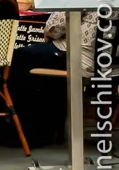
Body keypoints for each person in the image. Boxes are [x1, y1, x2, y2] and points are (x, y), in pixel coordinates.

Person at [5, 10, 100, 146]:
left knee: (18, 58)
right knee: (38, 56)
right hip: (106, 61)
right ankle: (50, 127)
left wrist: (49, 31)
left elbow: (55, 27)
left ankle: (25, 133)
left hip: (78, 57)